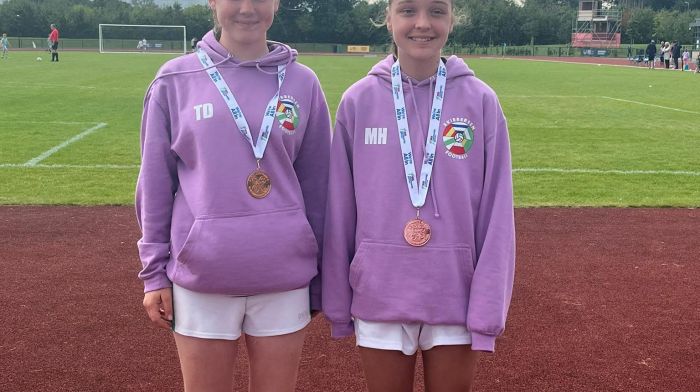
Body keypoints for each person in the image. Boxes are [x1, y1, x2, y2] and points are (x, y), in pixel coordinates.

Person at [135, 0, 331, 390]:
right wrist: (154, 273)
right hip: (202, 276)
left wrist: (321, 277)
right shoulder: (174, 80)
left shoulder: (302, 82)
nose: (246, 8)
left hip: (284, 277)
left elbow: (320, 188)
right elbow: (156, 184)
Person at [322, 0, 516, 391]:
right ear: (389, 18)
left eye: (437, 11)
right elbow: (339, 211)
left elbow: (498, 214)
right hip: (380, 291)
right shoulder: (358, 102)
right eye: (408, 10)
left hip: (454, 296)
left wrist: (487, 308)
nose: (423, 24)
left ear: (453, 19)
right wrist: (338, 303)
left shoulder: (480, 102)